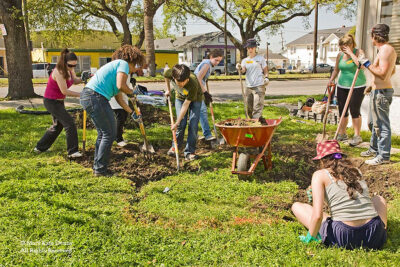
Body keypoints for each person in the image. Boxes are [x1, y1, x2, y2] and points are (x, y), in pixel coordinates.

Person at [291, 140, 387, 250]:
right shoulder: (356, 171)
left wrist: (310, 237)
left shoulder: (319, 175)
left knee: (297, 206)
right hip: (374, 235)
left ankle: (317, 235)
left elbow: (317, 216)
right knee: (378, 199)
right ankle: (383, 229)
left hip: (344, 236)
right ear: (341, 156)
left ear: (322, 160)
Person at [80, 45, 145, 176]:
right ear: (134, 61)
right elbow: (121, 86)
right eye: (137, 66)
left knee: (103, 134)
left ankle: (98, 168)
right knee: (109, 133)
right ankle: (100, 170)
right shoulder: (123, 64)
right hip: (95, 97)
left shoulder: (116, 68)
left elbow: (119, 96)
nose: (135, 70)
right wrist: (133, 92)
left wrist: (131, 112)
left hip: (90, 97)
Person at [358, 24, 397, 166]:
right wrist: (372, 84)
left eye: (371, 36)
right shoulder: (383, 50)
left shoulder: (387, 49)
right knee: (372, 123)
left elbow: (383, 73)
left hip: (381, 93)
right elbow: (391, 72)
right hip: (376, 91)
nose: (370, 39)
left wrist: (366, 62)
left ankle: (384, 156)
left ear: (375, 36)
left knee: (381, 125)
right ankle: (374, 149)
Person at [34, 49, 83, 158]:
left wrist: (84, 78)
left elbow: (74, 80)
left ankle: (39, 147)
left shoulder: (69, 70)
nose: (72, 68)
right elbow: (64, 91)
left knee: (58, 126)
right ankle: (72, 152)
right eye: (71, 65)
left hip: (59, 102)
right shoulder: (59, 72)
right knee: (70, 124)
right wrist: (81, 94)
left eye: (75, 66)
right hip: (51, 102)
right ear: (64, 62)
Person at [328, 34, 367, 145]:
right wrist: (331, 80)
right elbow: (336, 70)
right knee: (342, 111)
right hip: (342, 86)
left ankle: (357, 136)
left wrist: (351, 54)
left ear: (350, 45)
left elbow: (361, 65)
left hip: (357, 86)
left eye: (344, 48)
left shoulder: (359, 52)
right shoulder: (340, 55)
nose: (342, 50)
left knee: (354, 110)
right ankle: (342, 133)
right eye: (341, 48)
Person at [164, 64, 203, 161]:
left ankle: (190, 152)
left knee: (193, 124)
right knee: (181, 123)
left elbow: (186, 105)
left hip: (195, 99)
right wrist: (168, 90)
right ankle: (175, 147)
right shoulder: (170, 73)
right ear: (174, 77)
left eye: (184, 82)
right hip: (180, 98)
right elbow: (165, 76)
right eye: (178, 82)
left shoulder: (193, 83)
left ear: (188, 78)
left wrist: (176, 123)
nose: (181, 84)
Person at [194, 49, 223, 141]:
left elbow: (202, 78)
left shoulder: (207, 64)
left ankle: (197, 134)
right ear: (211, 57)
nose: (217, 63)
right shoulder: (206, 64)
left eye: (219, 61)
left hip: (198, 88)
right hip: (195, 89)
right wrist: (205, 93)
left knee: (196, 112)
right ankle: (207, 135)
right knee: (202, 111)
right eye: (216, 60)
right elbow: (198, 78)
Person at [236, 38, 269, 119]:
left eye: (252, 48)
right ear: (247, 49)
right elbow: (243, 70)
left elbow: (265, 70)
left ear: (255, 48)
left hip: (259, 86)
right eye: (248, 48)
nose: (250, 49)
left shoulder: (260, 58)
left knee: (257, 107)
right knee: (249, 108)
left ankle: (256, 125)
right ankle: (251, 124)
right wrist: (239, 67)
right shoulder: (245, 60)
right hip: (248, 87)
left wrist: (267, 77)